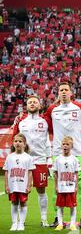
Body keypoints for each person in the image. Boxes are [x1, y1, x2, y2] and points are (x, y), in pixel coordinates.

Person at [44, 82, 81, 228]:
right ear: (58, 93)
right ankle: (58, 218)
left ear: (71, 92)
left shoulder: (79, 107)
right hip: (57, 152)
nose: (63, 92)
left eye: (66, 90)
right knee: (56, 185)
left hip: (77, 152)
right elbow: (47, 126)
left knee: (80, 184)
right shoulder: (52, 109)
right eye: (61, 90)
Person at [13, 95, 52, 227]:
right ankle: (20, 221)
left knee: (41, 190)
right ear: (26, 106)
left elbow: (47, 141)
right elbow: (15, 140)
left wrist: (49, 158)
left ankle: (44, 219)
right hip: (24, 161)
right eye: (30, 102)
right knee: (21, 190)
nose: (32, 104)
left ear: (40, 106)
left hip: (40, 161)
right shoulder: (21, 121)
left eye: (35, 102)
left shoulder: (46, 121)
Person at [4, 134, 34, 231]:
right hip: (13, 185)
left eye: (20, 141)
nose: (18, 143)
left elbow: (30, 173)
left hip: (22, 185)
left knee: (23, 203)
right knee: (14, 202)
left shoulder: (28, 158)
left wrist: (29, 185)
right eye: (16, 141)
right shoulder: (10, 157)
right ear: (13, 143)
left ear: (24, 144)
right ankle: (14, 223)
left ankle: (21, 223)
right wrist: (6, 185)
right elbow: (6, 171)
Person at [53, 136, 80, 231]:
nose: (65, 146)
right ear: (61, 146)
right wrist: (56, 186)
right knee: (60, 206)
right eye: (63, 144)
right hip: (61, 187)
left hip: (71, 187)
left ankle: (72, 224)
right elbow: (55, 174)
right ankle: (60, 224)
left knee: (72, 206)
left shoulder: (75, 159)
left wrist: (76, 186)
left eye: (67, 144)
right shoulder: (57, 159)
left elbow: (76, 174)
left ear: (71, 146)